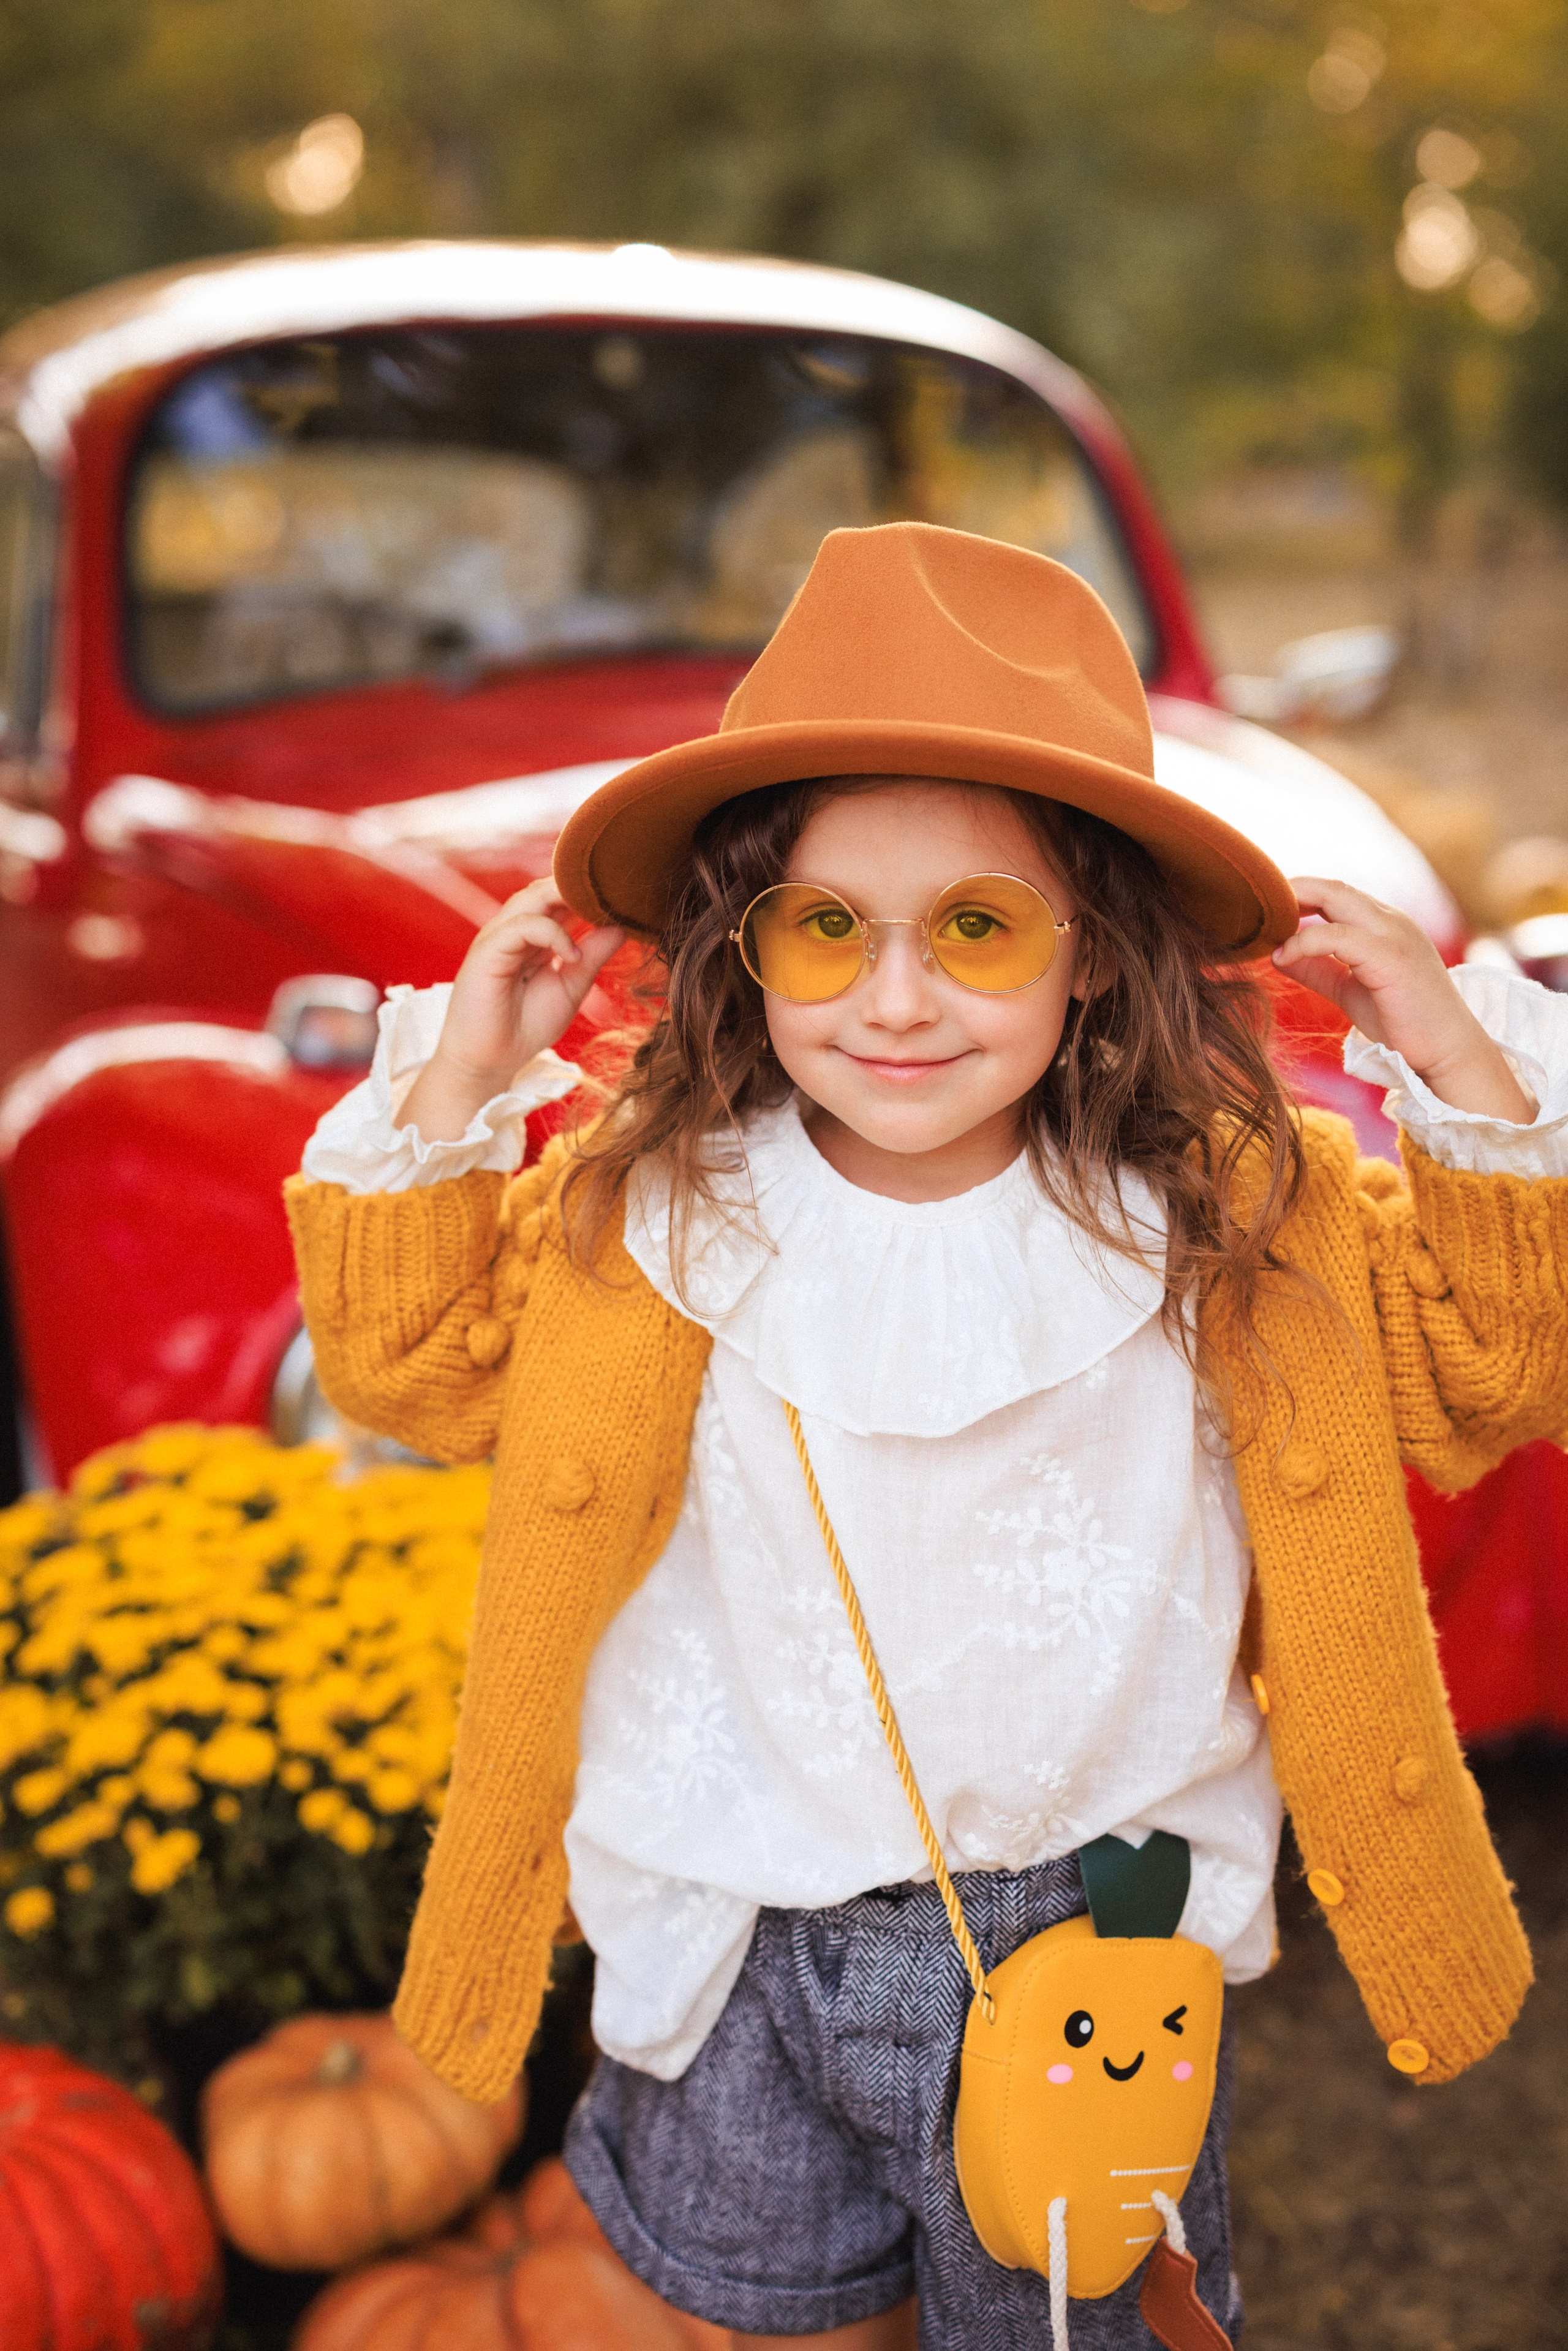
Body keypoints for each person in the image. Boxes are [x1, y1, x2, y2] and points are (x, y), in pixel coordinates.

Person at [287, 523, 1567, 2350]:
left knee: (1074, 2326)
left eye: (979, 928)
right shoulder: (649, 1215)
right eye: (828, 929)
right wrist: (454, 1090)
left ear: (1099, 960)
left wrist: (1458, 1066)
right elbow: (405, 1370)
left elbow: (1499, 1376)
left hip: (1091, 1944)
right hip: (743, 1925)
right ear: (750, 949)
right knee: (766, 2324)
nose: (897, 1001)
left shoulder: (1230, 1221)